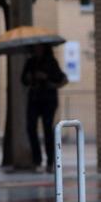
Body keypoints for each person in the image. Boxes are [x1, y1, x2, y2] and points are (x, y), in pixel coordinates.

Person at [22, 44, 68, 173]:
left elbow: (61, 78)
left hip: (48, 100)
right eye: (35, 47)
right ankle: (36, 160)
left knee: (48, 130)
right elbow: (23, 80)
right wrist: (30, 77)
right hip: (34, 99)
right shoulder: (30, 62)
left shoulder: (51, 62)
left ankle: (50, 162)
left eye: (39, 47)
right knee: (31, 128)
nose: (37, 49)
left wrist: (45, 77)